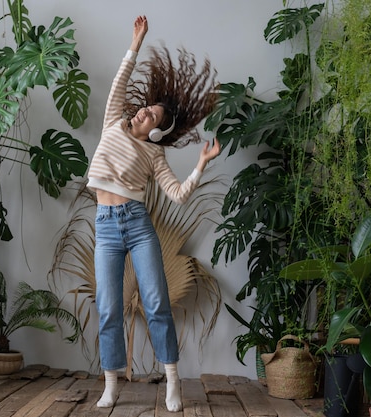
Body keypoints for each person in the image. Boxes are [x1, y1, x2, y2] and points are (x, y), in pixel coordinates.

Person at [87, 15, 220, 412]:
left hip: (137, 225)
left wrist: (200, 165)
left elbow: (177, 195)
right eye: (147, 108)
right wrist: (136, 42)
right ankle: (111, 384)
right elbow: (120, 83)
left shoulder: (154, 153)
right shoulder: (114, 120)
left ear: (158, 132)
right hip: (106, 226)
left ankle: (173, 383)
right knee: (109, 308)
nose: (145, 112)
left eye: (153, 116)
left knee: (157, 303)